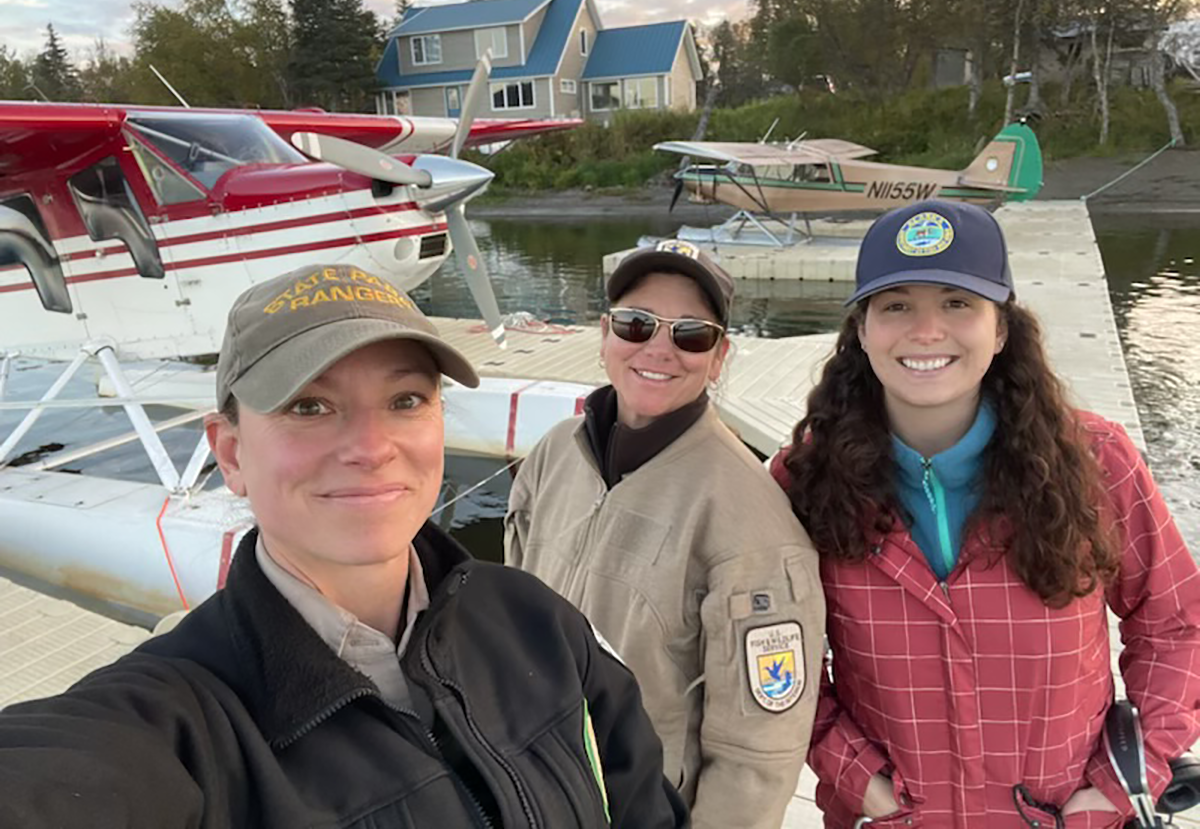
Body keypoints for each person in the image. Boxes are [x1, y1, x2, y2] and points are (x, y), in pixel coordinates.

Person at [0, 263, 689, 829]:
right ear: (231, 453)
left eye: (406, 400)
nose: (371, 447)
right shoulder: (180, 720)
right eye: (309, 406)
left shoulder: (538, 620)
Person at [768, 201, 1200, 828]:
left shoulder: (1097, 461)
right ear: (861, 330)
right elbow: (777, 654)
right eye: (896, 306)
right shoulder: (804, 480)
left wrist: (1126, 778)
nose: (926, 330)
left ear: (1000, 331)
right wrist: (861, 780)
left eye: (957, 303)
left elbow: (1177, 623)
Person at [506, 239, 825, 829]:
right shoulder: (552, 455)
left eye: (691, 335)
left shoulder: (754, 522)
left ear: (719, 357)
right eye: (636, 324)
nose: (658, 349)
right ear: (605, 333)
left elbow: (758, 759)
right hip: (527, 789)